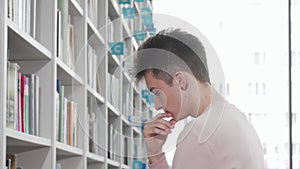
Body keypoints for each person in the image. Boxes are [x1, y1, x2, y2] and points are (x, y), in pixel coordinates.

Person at [131, 28, 264, 169]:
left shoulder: (198, 133)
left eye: (157, 93)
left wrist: (154, 154)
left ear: (180, 81)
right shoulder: (239, 120)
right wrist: (155, 153)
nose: (157, 105)